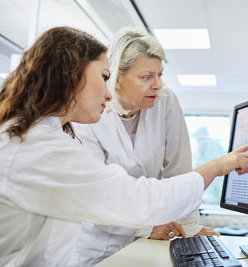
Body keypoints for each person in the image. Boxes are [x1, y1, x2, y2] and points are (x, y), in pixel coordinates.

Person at [0, 26, 248, 266]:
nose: (108, 91)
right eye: (103, 77)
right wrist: (216, 166)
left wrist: (188, 226)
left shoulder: (35, 134)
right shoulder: (37, 148)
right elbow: (135, 199)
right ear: (72, 76)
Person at [73, 27, 219, 266]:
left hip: (150, 242)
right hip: (97, 247)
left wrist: (189, 230)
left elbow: (180, 173)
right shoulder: (90, 112)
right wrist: (145, 226)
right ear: (117, 79)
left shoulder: (166, 101)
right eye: (146, 77)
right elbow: (93, 194)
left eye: (160, 75)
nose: (158, 85)